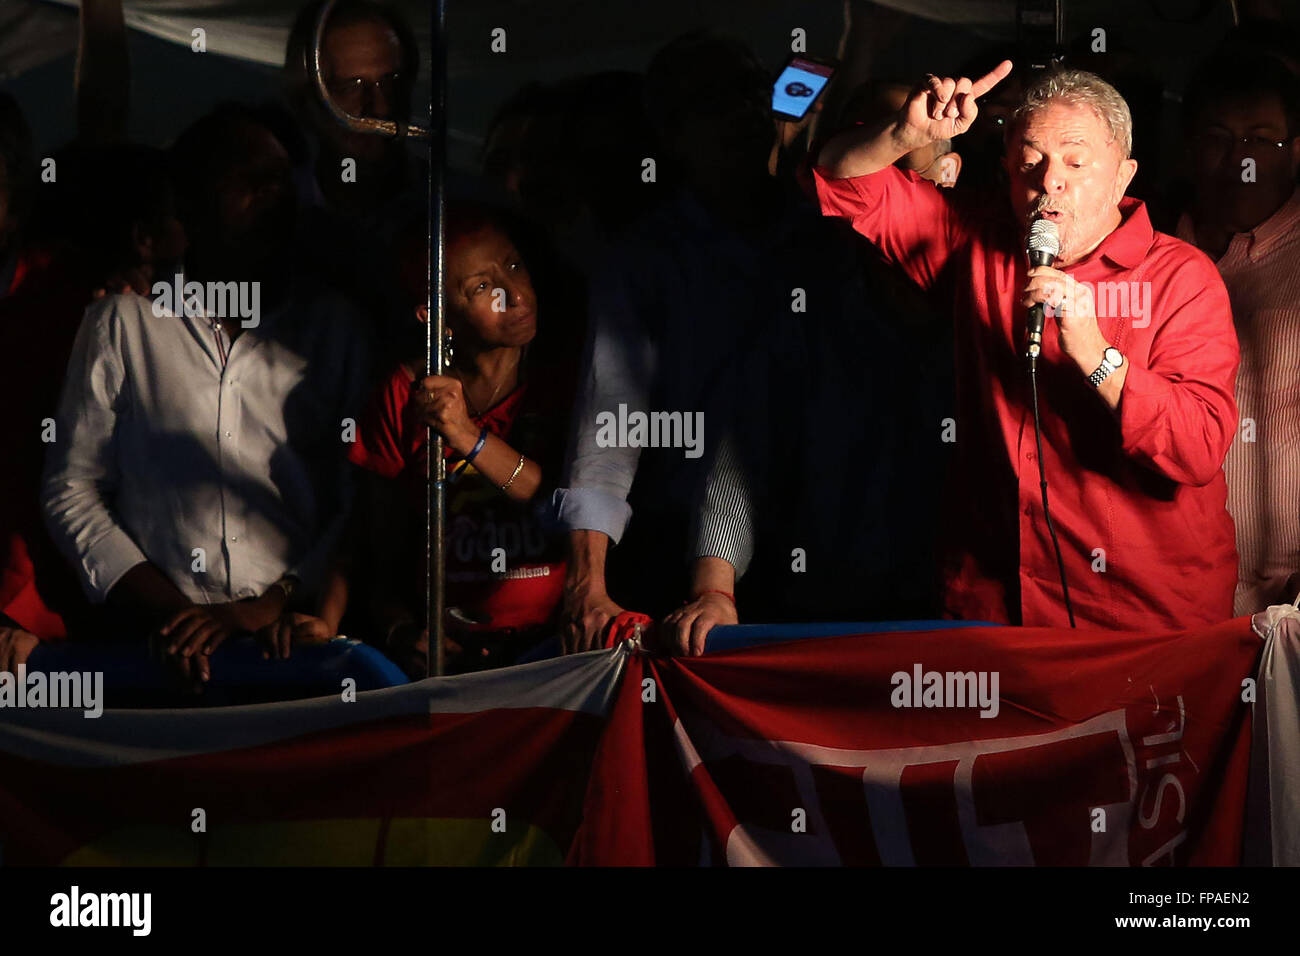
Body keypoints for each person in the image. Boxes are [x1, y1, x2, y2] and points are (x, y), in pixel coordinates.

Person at [814, 64, 1240, 631]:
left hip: (1140, 617)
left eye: (1075, 161)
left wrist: (1098, 357)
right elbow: (838, 183)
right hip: (995, 604)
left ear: (1122, 176)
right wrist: (904, 136)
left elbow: (1201, 447)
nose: (1049, 179)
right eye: (1029, 162)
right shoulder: (975, 243)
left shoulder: (1183, 277)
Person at [41, 105, 369, 687]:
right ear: (188, 204)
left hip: (294, 652)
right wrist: (174, 613)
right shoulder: (125, 321)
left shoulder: (332, 326)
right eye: (246, 182)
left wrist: (274, 602)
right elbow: (72, 488)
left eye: (280, 180)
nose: (272, 196)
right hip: (161, 656)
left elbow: (356, 497)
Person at [348, 204, 574, 676]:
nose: (514, 294)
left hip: (561, 649)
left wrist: (469, 437)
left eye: (513, 265)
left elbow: (567, 507)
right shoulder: (404, 394)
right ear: (435, 316)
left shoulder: (567, 373)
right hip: (448, 659)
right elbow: (378, 553)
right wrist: (402, 632)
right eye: (482, 288)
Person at [1178, 54, 1300, 614]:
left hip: (1290, 606)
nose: (1238, 161)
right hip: (1175, 600)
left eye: (1260, 141)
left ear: (1297, 151)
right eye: (1218, 138)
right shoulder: (1145, 257)